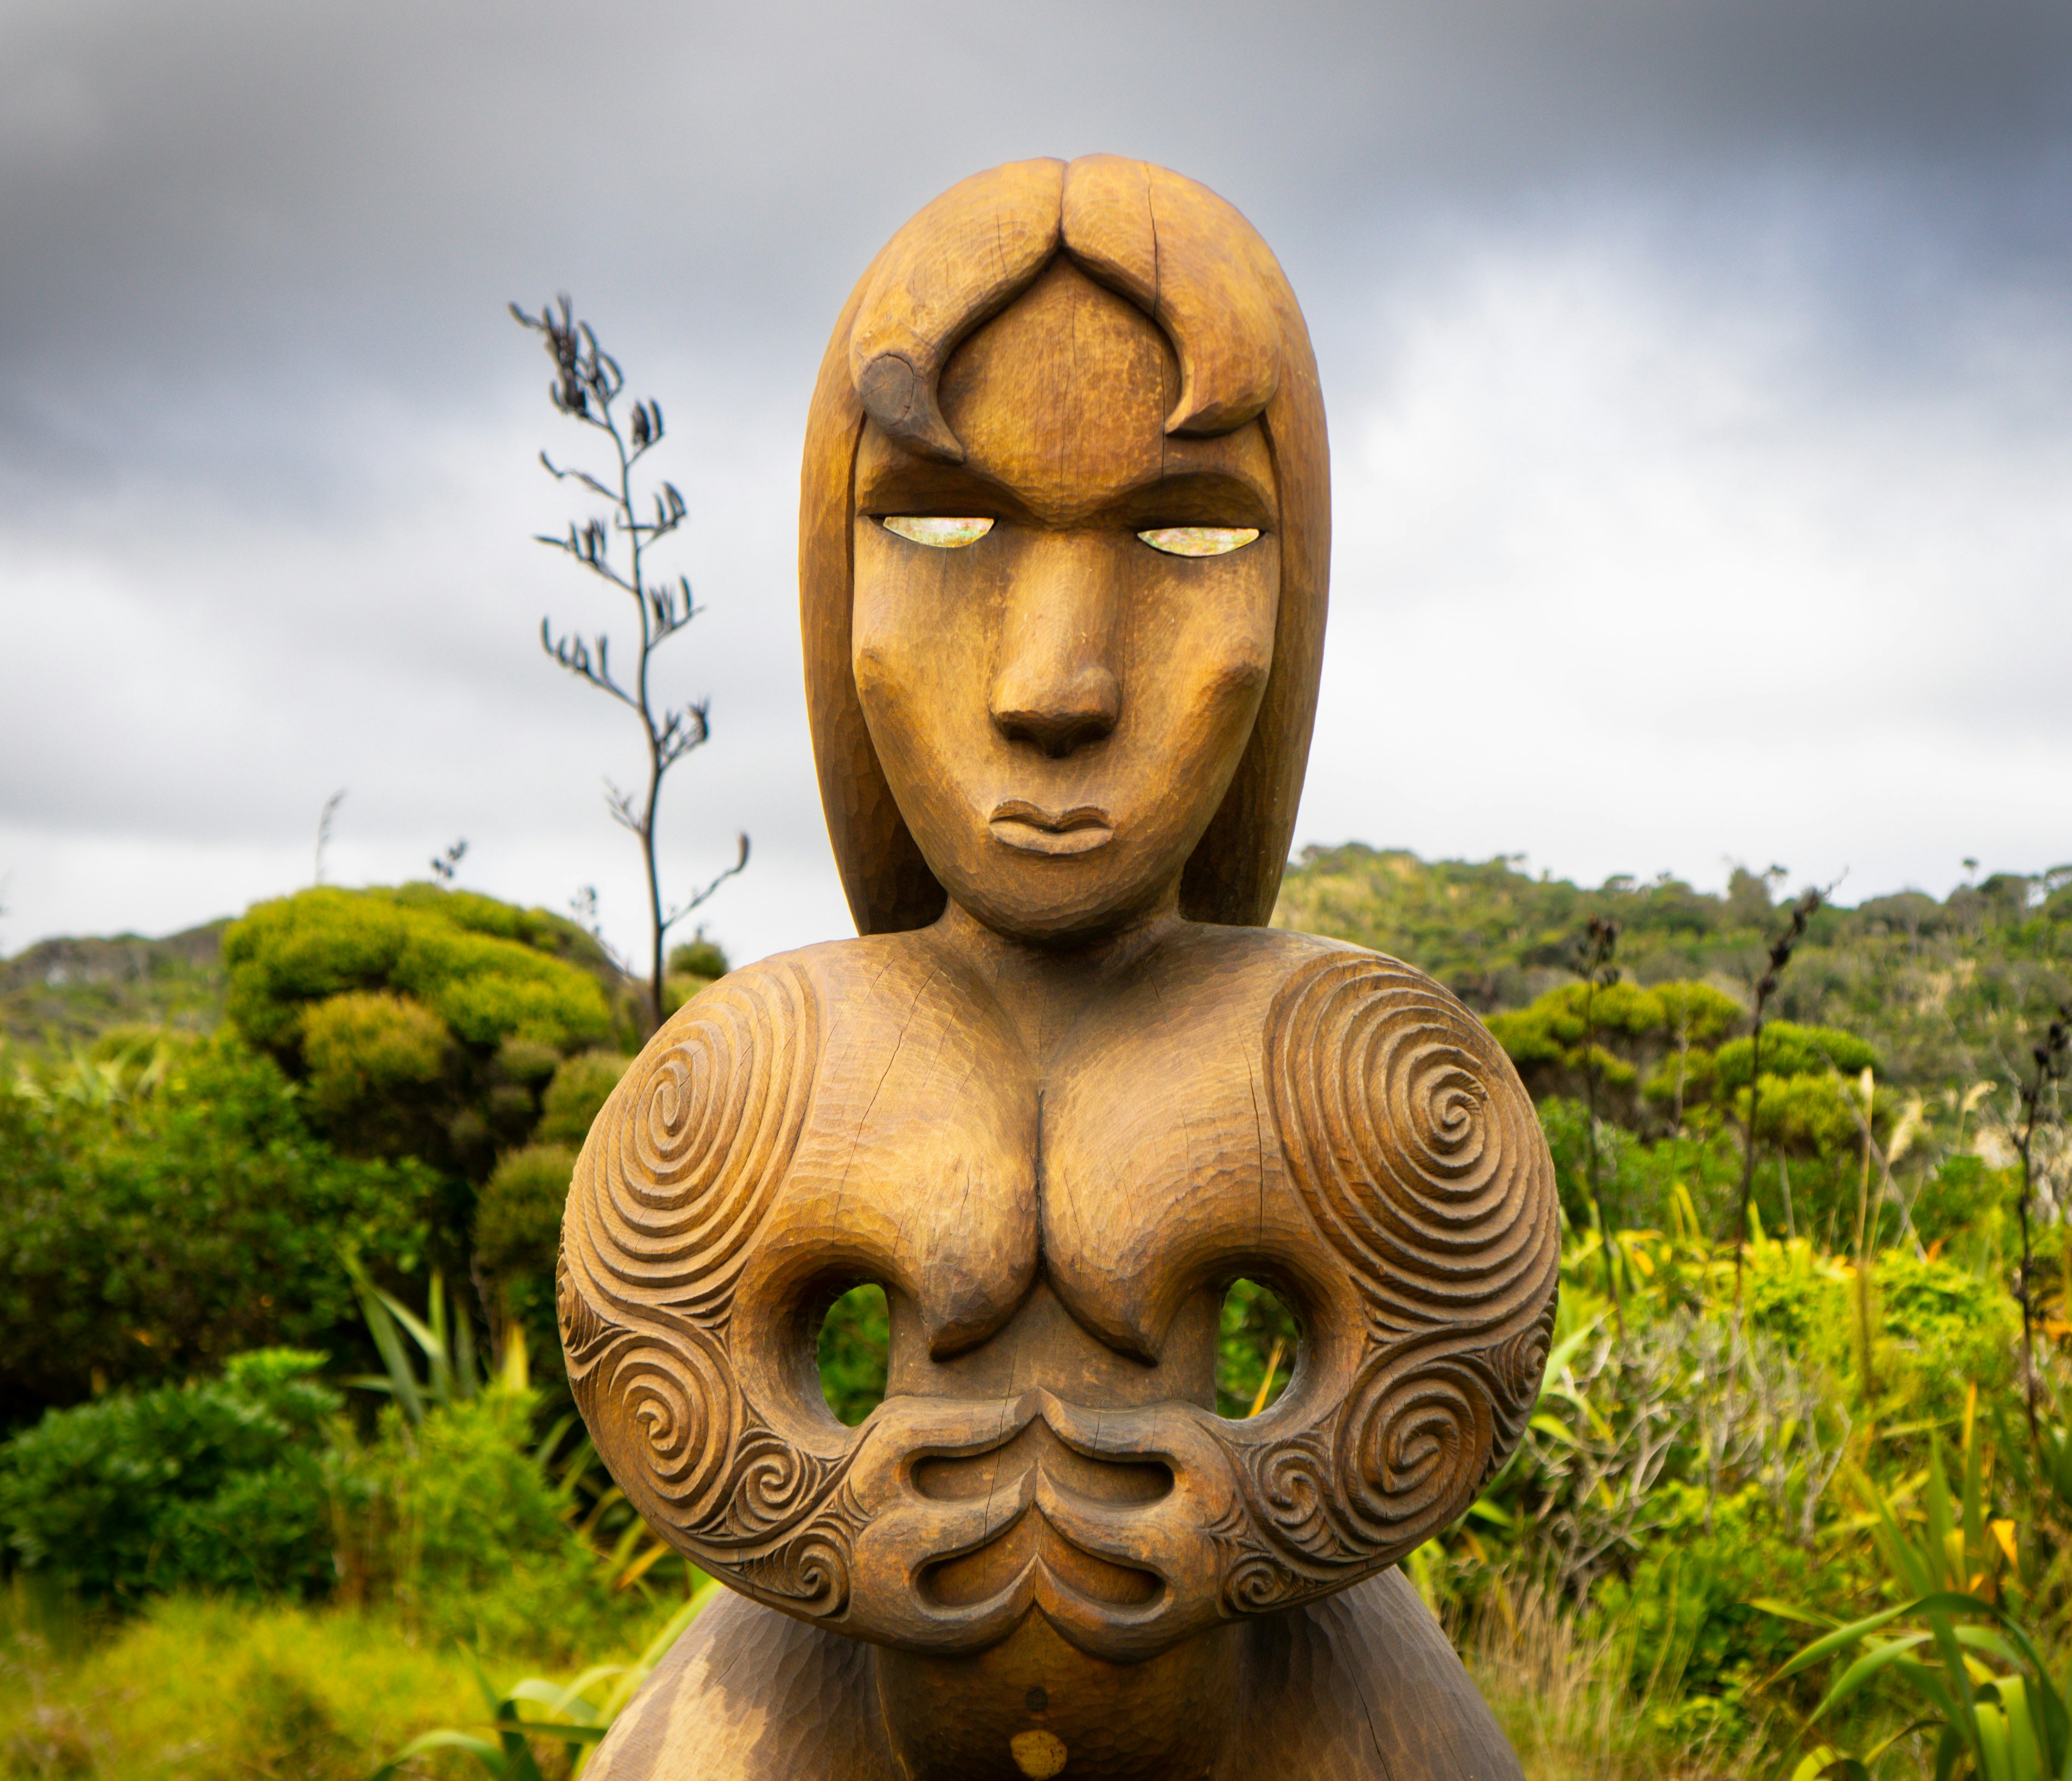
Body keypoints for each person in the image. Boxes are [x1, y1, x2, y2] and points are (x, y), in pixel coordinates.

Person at [564, 156, 1559, 1780]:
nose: (1054, 687)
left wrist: (1258, 1512)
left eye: (1188, 533)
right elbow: (658, 1345)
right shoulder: (790, 1050)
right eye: (941, 524)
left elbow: (1447, 1352)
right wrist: (827, 1518)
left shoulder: (1316, 1045)